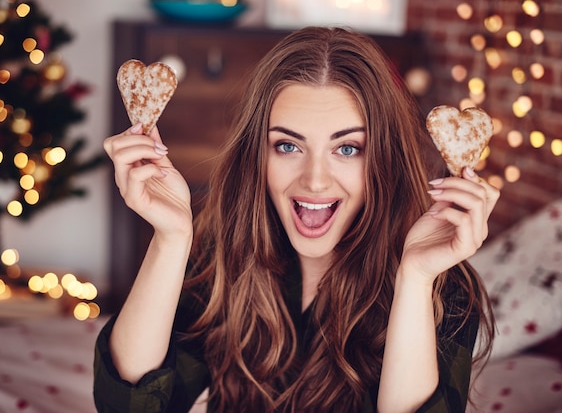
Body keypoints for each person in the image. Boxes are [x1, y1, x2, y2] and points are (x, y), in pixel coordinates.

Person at [94, 26, 499, 412]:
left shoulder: (445, 289)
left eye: (347, 149)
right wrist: (171, 237)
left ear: (384, 159)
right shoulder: (219, 251)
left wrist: (414, 279)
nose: (315, 180)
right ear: (258, 156)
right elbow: (129, 405)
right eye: (287, 146)